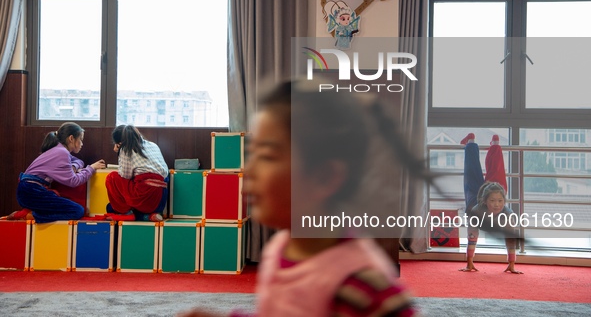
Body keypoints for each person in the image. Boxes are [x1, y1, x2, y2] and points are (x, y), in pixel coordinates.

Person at [178, 80, 418, 317]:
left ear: (325, 178)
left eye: (267, 156)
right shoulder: (279, 249)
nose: (247, 169)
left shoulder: (363, 289)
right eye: (250, 154)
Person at [4, 122, 106, 223]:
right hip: (31, 192)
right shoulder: (62, 153)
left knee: (75, 208)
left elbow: (79, 161)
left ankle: (32, 211)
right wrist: (91, 168)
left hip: (30, 190)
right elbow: (74, 181)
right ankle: (30, 215)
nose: (82, 144)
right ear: (71, 138)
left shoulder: (59, 149)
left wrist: (73, 167)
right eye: (81, 139)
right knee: (77, 211)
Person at [105, 125, 168, 222]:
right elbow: (165, 172)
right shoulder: (153, 145)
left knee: (112, 177)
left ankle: (126, 213)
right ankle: (149, 216)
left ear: (119, 143)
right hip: (160, 200)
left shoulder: (126, 149)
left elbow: (125, 175)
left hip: (143, 198)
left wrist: (119, 151)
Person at [460, 182, 523, 274]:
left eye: (500, 201)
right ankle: (470, 263)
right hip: (481, 221)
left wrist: (512, 264)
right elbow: (472, 237)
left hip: (500, 223)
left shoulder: (508, 214)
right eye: (492, 201)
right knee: (472, 236)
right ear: (485, 201)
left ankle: (511, 265)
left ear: (504, 201)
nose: (496, 205)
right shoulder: (476, 211)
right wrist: (469, 263)